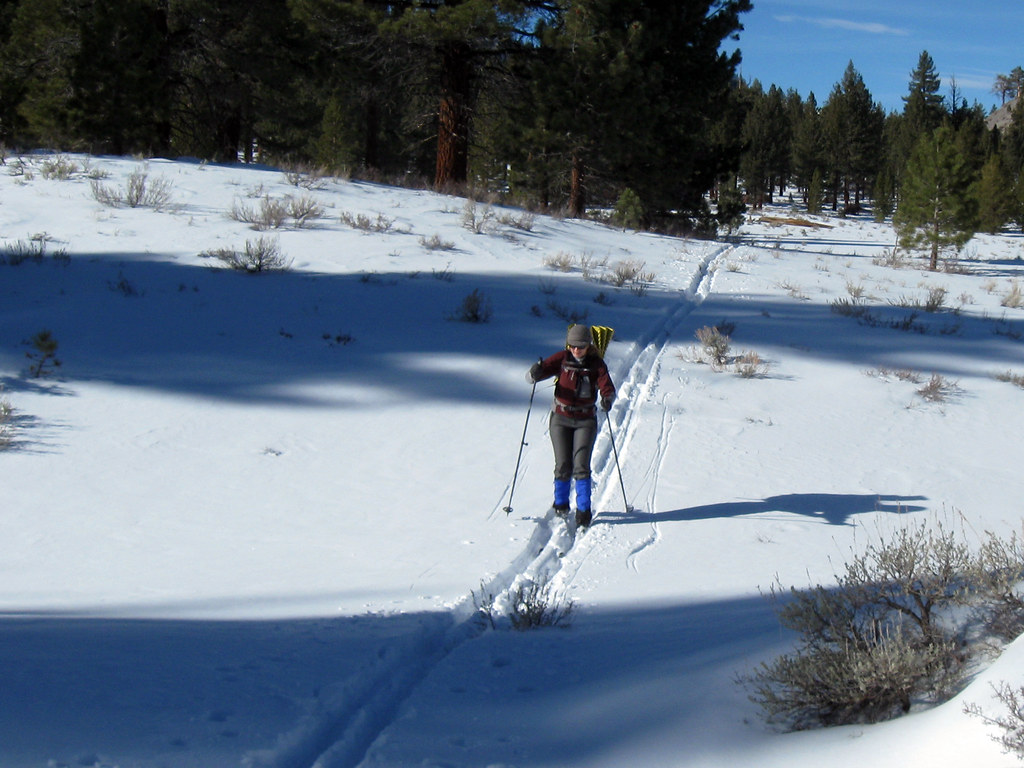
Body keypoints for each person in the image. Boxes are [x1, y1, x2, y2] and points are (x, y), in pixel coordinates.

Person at [528, 324, 616, 528]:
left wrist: (607, 399)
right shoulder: (562, 358)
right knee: (562, 465)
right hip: (560, 418)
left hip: (586, 421)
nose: (576, 350)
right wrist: (535, 371)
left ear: (588, 345)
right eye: (573, 346)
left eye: (581, 346)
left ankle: (583, 511)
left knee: (581, 466)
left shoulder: (597, 364)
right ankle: (560, 505)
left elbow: (607, 386)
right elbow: (533, 377)